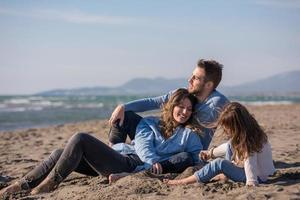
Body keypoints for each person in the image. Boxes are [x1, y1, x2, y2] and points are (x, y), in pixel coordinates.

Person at [0, 88, 203, 197]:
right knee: (58, 153)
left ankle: (50, 184)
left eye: (188, 109)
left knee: (80, 138)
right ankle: (21, 185)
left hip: (129, 164)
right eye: (180, 106)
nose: (184, 112)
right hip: (123, 159)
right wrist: (149, 164)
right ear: (171, 106)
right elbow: (143, 148)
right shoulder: (148, 123)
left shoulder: (189, 136)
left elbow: (193, 158)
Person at [109, 59, 229, 150]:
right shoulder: (184, 93)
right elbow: (154, 102)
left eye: (195, 78)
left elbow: (236, 129)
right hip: (162, 138)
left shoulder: (217, 103)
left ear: (208, 85)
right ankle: (111, 153)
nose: (189, 80)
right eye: (191, 75)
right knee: (125, 116)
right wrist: (123, 107)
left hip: (182, 150)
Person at [164, 102, 276, 186]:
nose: (226, 130)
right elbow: (228, 146)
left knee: (219, 164)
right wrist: (210, 153)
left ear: (237, 126)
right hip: (255, 173)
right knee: (229, 146)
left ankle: (182, 182)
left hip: (256, 177)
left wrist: (251, 182)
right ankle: (223, 175)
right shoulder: (250, 132)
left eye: (228, 128)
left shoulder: (248, 141)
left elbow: (249, 162)